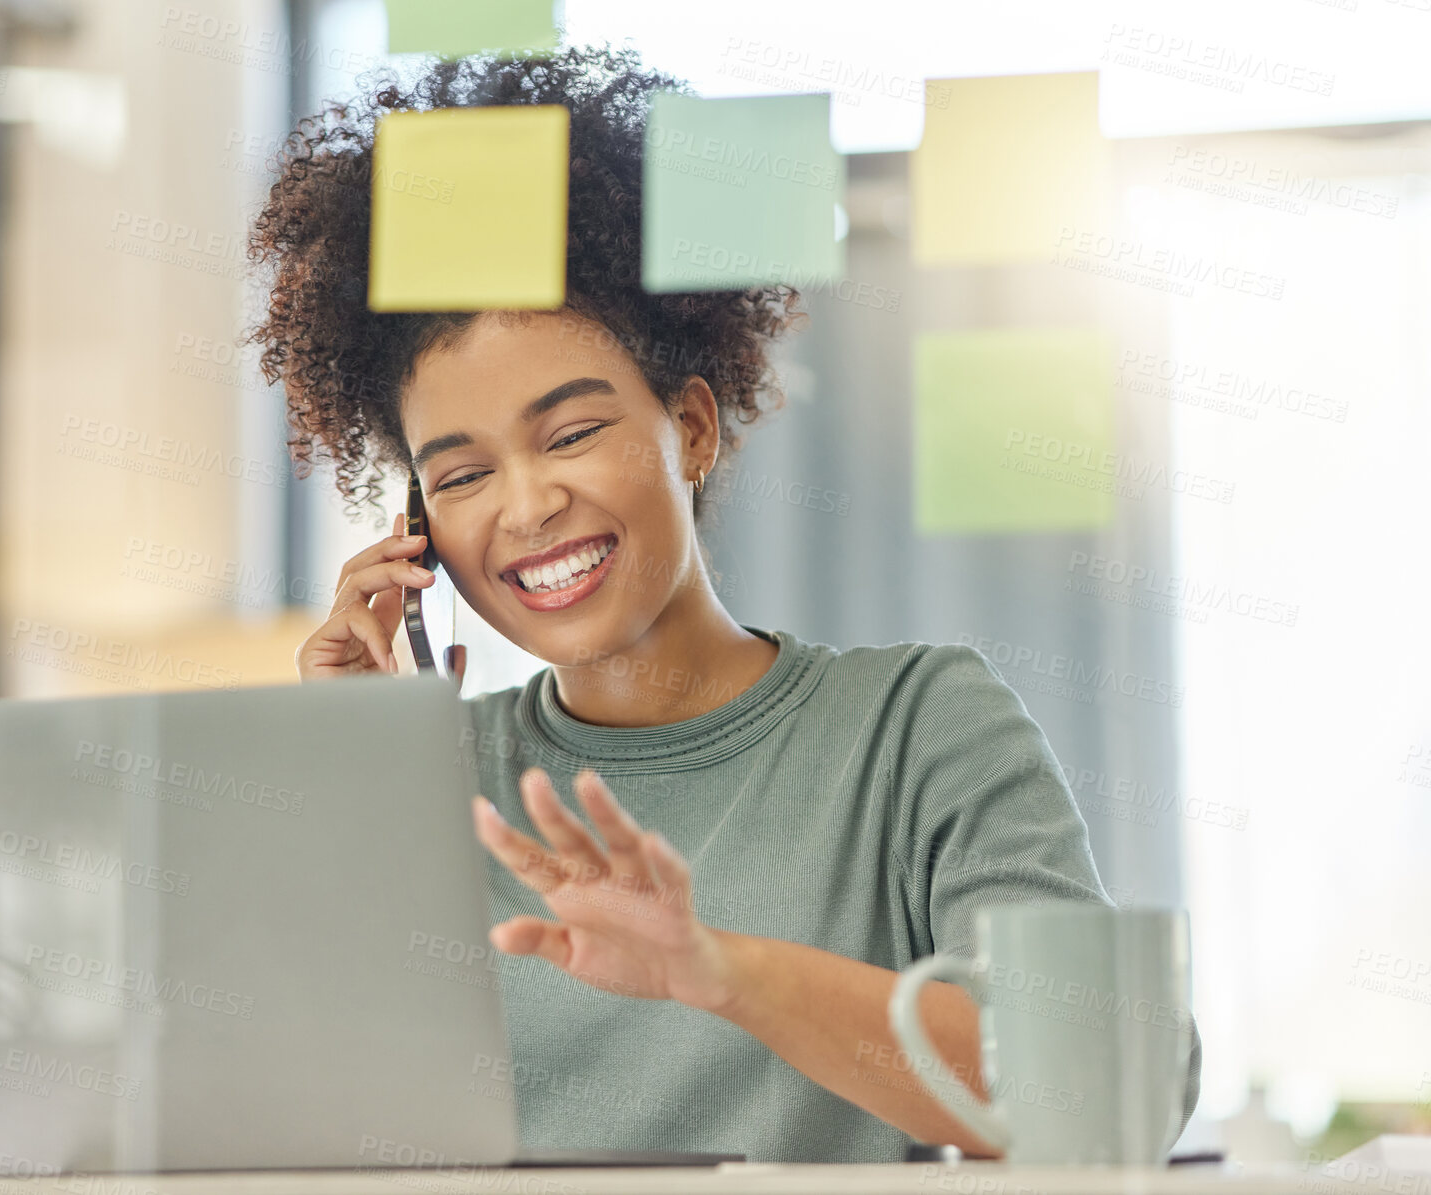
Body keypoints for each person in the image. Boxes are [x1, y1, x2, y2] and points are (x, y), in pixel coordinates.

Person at [249, 43, 1200, 1164]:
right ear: (417, 532)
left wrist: (720, 972)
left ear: (690, 428)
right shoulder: (428, 780)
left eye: (572, 432)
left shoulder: (914, 727)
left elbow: (1109, 1084)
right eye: (459, 475)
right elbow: (284, 1128)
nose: (525, 504)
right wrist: (338, 782)